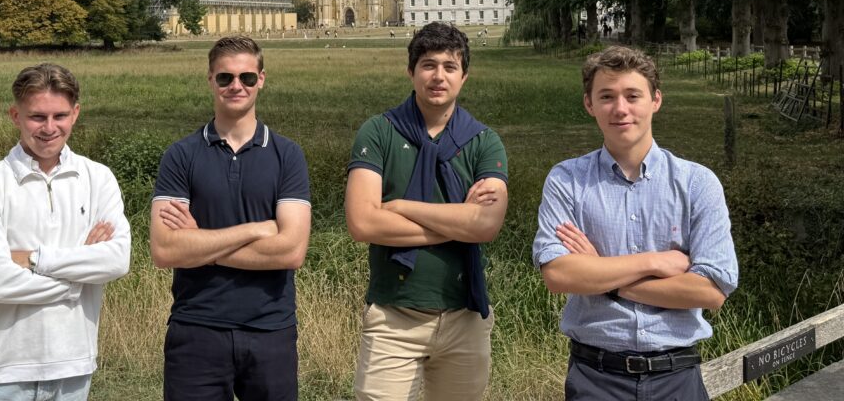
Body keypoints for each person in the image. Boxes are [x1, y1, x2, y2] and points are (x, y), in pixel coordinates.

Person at [532, 46, 738, 400]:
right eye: (607, 96)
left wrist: (602, 275)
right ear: (589, 104)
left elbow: (710, 291)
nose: (620, 108)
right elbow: (558, 275)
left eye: (633, 95)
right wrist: (654, 262)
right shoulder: (567, 180)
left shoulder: (697, 183)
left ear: (655, 100)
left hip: (677, 378)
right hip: (595, 379)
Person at [345, 21, 509, 401]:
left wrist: (402, 207)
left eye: (450, 67)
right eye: (428, 65)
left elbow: (486, 224)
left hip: (464, 317)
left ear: (464, 76)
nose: (439, 76)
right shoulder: (379, 132)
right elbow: (362, 222)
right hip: (394, 317)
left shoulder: (484, 141)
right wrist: (459, 222)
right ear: (411, 71)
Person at [151, 35, 312, 401]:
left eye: (247, 77)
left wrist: (201, 244)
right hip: (196, 326)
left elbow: (291, 252)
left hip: (270, 329)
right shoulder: (181, 155)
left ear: (261, 80)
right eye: (225, 77)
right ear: (211, 80)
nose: (236, 86)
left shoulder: (288, 155)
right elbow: (165, 250)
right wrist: (256, 229)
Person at [0, 63, 131, 401]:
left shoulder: (99, 179)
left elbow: (117, 260)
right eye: (37, 117)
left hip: (72, 369)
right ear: (16, 115)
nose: (49, 128)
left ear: (75, 113)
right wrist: (78, 280)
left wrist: (33, 259)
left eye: (60, 116)